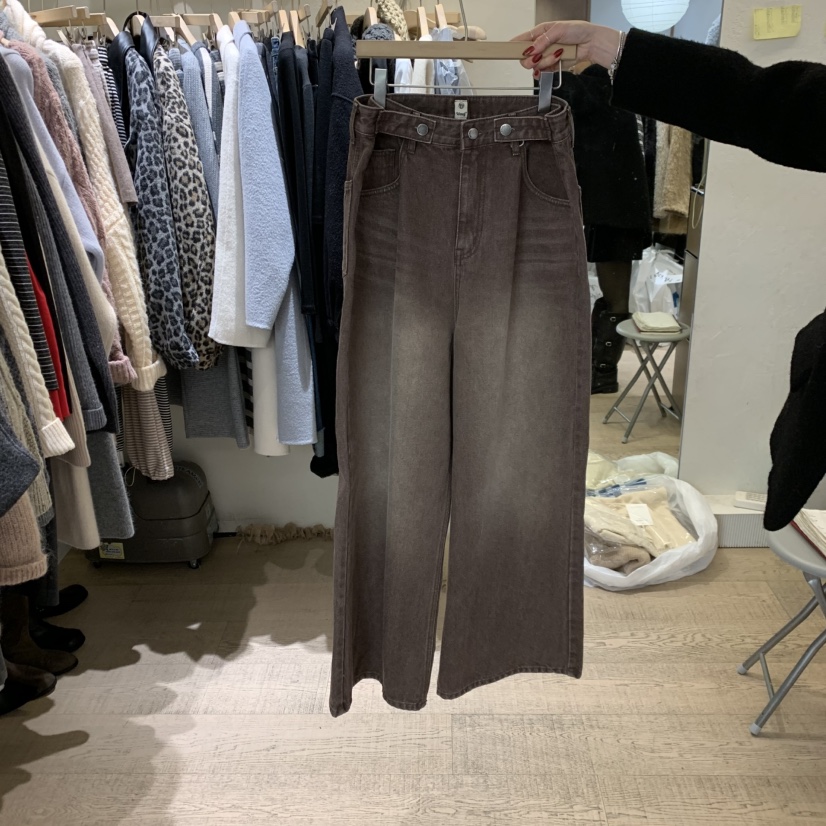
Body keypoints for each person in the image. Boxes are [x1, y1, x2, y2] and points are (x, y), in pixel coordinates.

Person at [510, 20, 826, 532]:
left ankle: (600, 365)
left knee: (607, 291)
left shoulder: (591, 95)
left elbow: (766, 102)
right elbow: (769, 102)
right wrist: (617, 49)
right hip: (601, 197)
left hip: (605, 199)